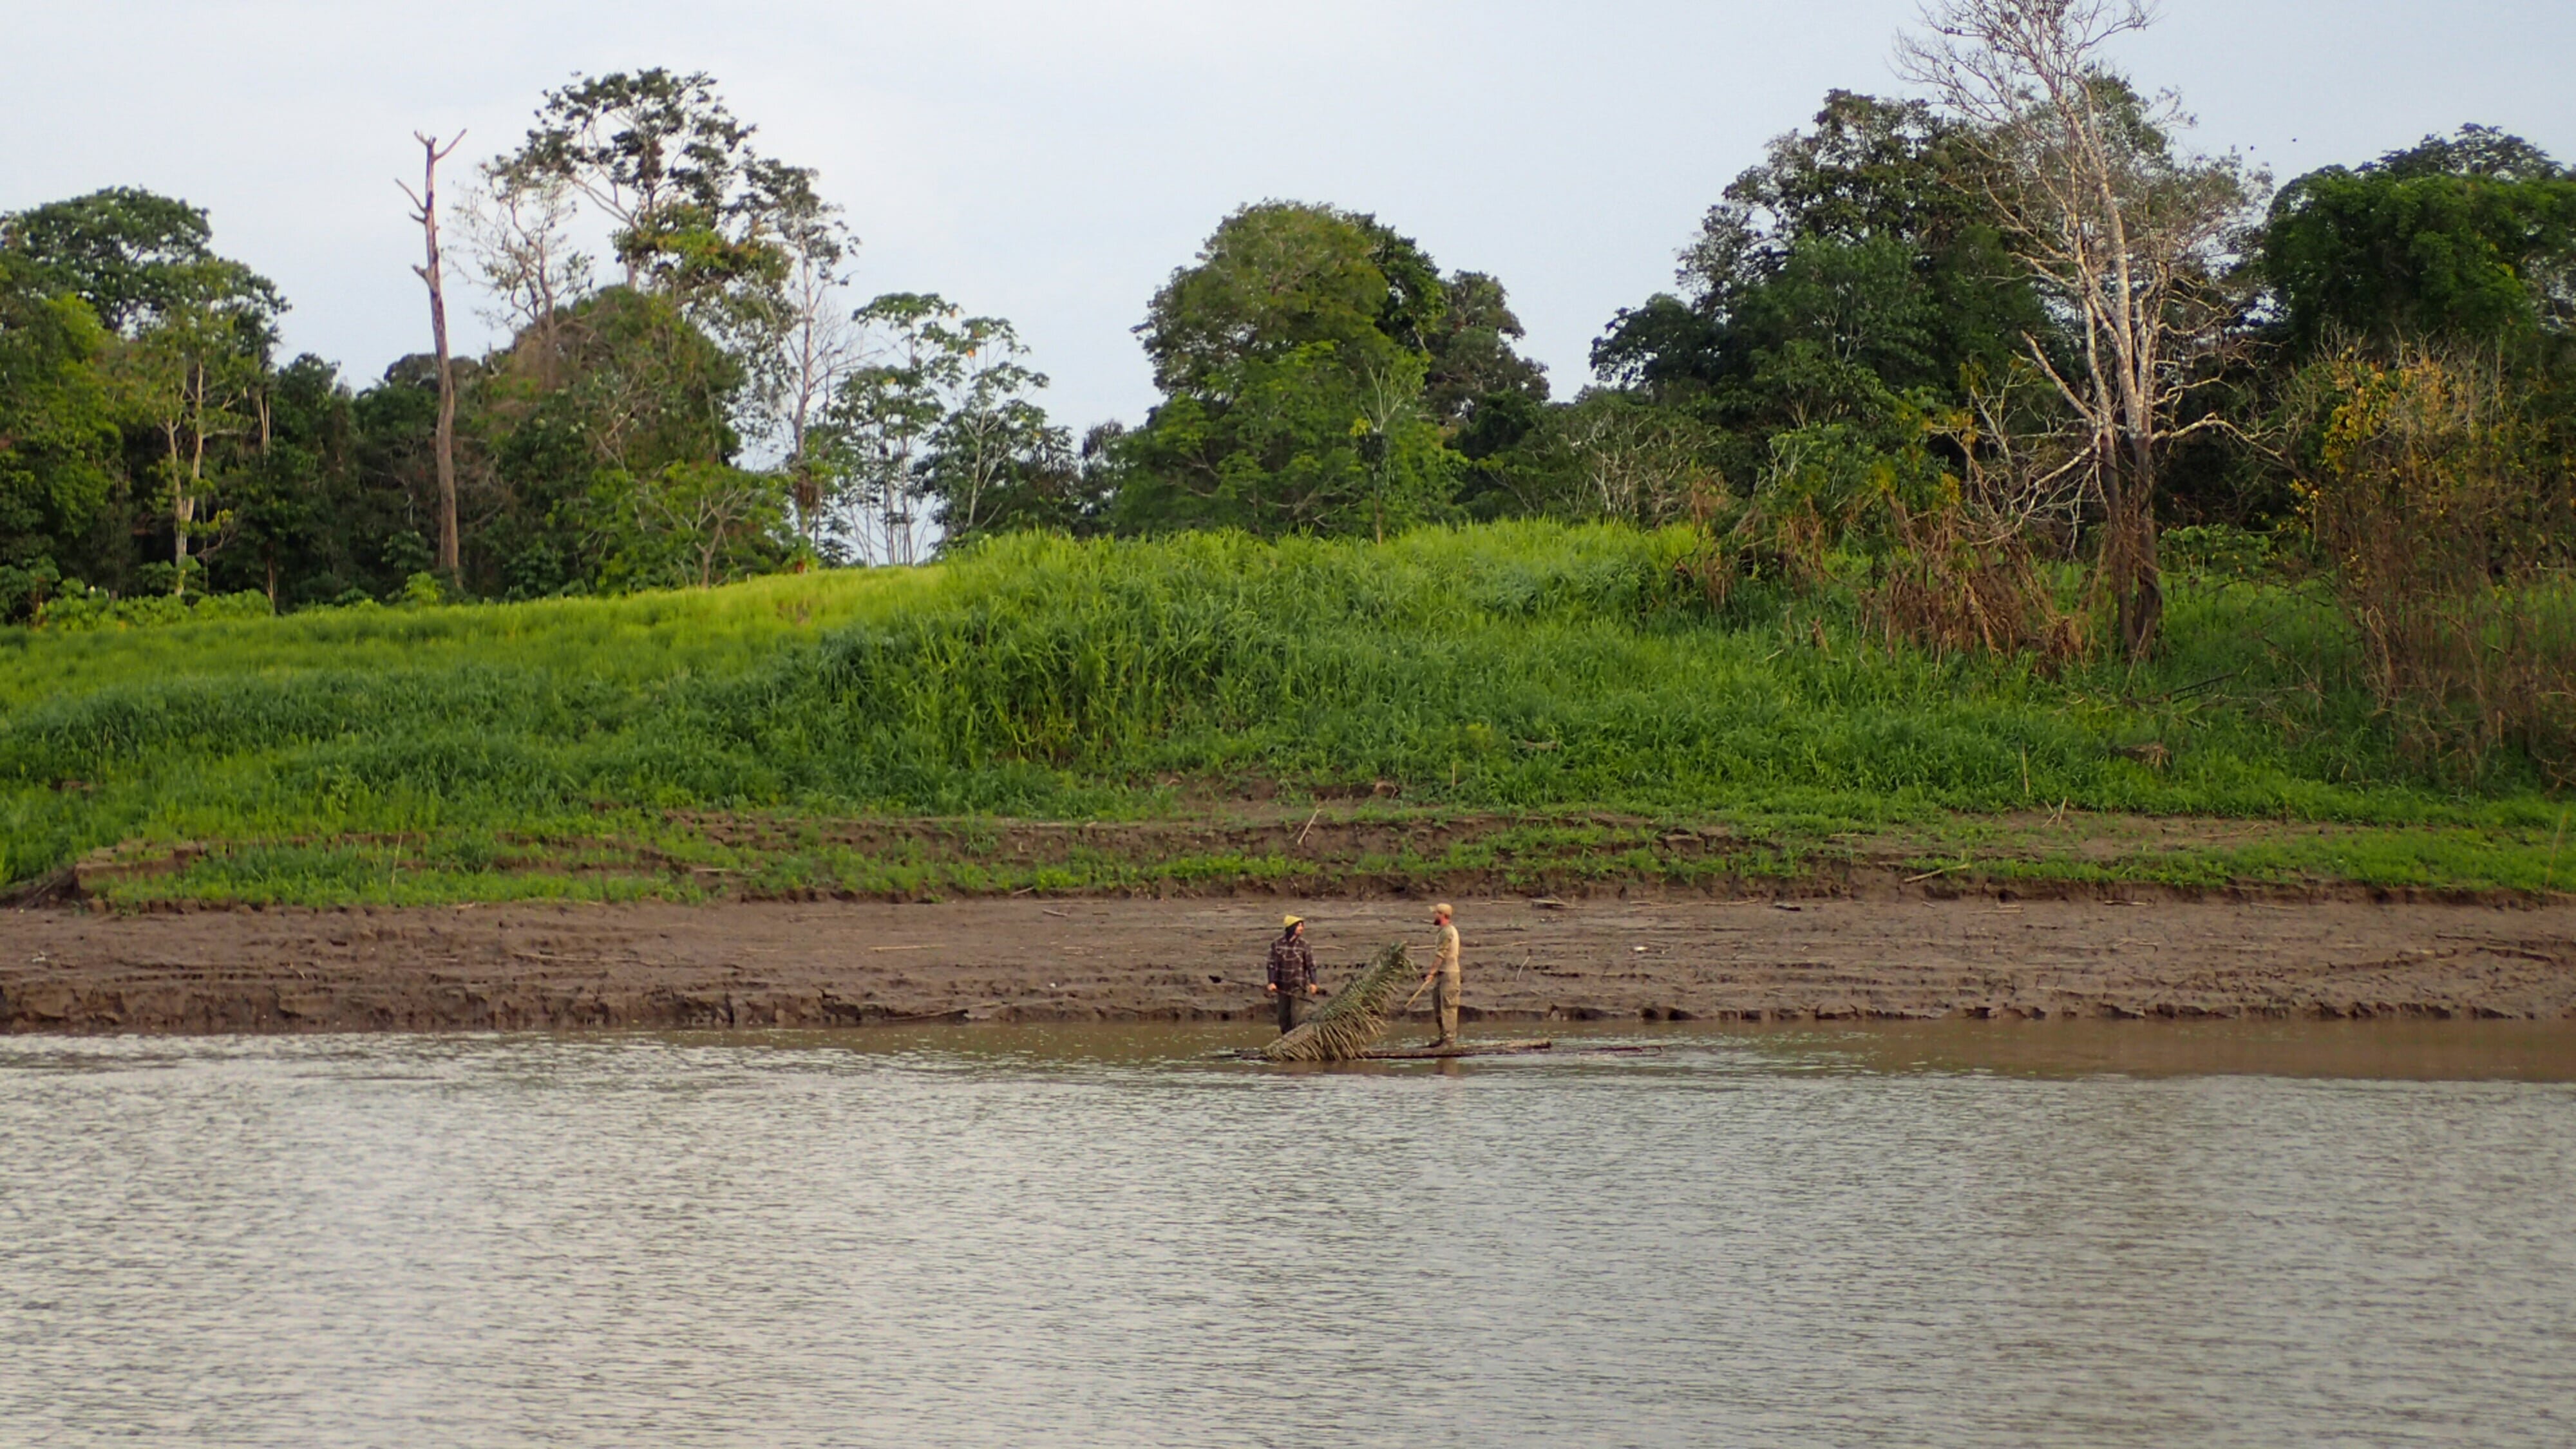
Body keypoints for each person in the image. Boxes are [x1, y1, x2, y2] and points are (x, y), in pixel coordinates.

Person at [1265, 914, 1323, 1034]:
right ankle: (1285, 1041)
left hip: (1298, 986)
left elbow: (1311, 965)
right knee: (1283, 1018)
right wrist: (1271, 982)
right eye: (1299, 926)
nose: (1302, 928)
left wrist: (1313, 983)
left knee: (1296, 1017)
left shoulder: (1304, 945)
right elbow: (1272, 965)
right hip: (1281, 986)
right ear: (1291, 927)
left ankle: (1295, 1042)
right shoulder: (1277, 944)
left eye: (1302, 925)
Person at [1421, 902, 1462, 1047]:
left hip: (1450, 974)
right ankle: (1443, 1037)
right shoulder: (1443, 930)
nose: (1434, 916)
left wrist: (1431, 973)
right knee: (1438, 1006)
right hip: (1443, 974)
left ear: (1443, 915)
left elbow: (1441, 955)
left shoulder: (1447, 932)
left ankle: (1449, 1040)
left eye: (1436, 913)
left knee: (1448, 1007)